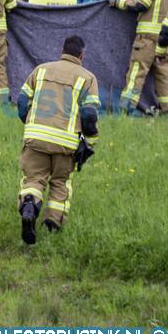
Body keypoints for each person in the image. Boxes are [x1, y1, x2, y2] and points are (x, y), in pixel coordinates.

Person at [16, 35, 101, 244]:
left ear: (62, 50)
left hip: (35, 138)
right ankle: (52, 224)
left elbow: (21, 101)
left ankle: (29, 206)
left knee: (33, 179)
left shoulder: (41, 69)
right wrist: (90, 142)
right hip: (66, 143)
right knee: (60, 182)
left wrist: (30, 123)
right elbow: (89, 115)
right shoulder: (87, 77)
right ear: (81, 55)